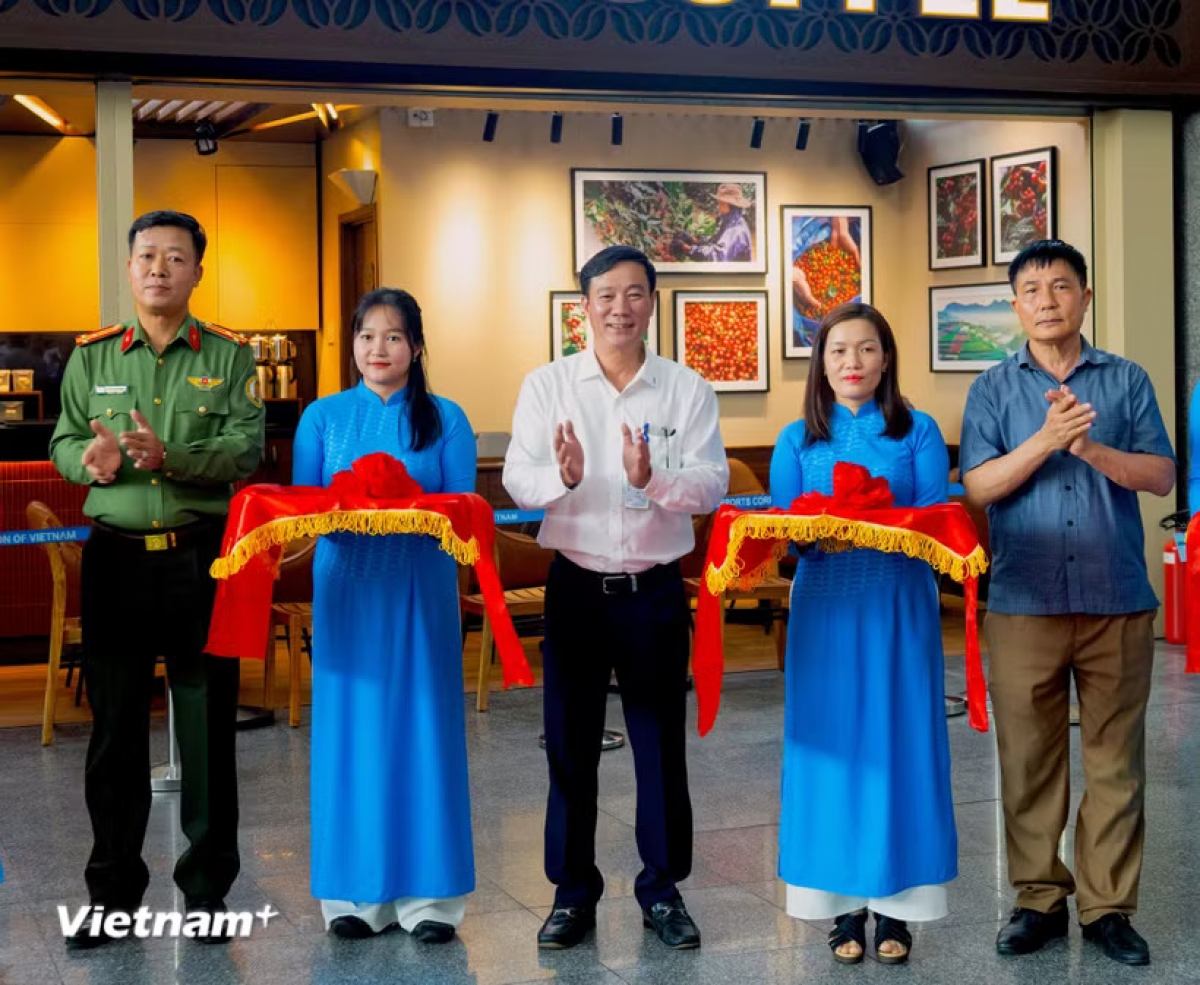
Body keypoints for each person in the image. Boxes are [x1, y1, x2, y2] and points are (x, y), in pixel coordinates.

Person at [49, 210, 264, 949]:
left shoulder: (230, 356)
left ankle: (206, 892)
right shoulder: (92, 356)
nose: (158, 269)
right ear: (129, 267)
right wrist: (90, 463)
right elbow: (63, 439)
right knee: (113, 731)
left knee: (205, 729)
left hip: (199, 557)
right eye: (146, 256)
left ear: (197, 271)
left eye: (175, 257)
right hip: (115, 558)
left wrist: (170, 457)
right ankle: (111, 894)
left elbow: (244, 449)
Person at [503, 246, 728, 950]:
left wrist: (652, 478)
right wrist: (564, 478)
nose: (620, 308)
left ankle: (662, 890)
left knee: (659, 747)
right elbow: (517, 478)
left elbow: (712, 482)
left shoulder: (686, 389)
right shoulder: (548, 385)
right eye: (606, 295)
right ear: (585, 307)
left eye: (634, 294)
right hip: (576, 586)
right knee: (570, 745)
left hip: (654, 591)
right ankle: (572, 894)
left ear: (652, 303)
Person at [959, 240, 1174, 967]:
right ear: (1015, 305)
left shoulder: (1127, 379)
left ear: (1085, 295)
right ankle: (1039, 899)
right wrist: (1048, 440)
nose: (1046, 299)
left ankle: (1108, 907)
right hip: (1024, 599)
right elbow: (979, 486)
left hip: (1117, 597)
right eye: (1031, 289)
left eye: (1060, 285)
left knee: (1116, 760)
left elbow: (1160, 475)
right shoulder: (992, 388)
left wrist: (1090, 450)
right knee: (1027, 759)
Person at [768, 302, 955, 966]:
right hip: (824, 609)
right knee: (831, 749)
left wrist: (879, 526)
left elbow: (935, 521)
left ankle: (898, 905)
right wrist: (815, 534)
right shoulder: (796, 438)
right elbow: (786, 531)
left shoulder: (918, 431)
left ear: (886, 358)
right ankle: (841, 907)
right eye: (839, 350)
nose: (853, 361)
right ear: (821, 363)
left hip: (899, 606)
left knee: (899, 742)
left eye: (867, 348)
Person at [292, 288, 477, 943]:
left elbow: (463, 513)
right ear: (353, 345)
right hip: (346, 589)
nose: (379, 348)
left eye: (394, 336)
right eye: (367, 335)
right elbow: (306, 508)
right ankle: (354, 896)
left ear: (417, 347)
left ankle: (430, 899)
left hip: (420, 589)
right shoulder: (321, 417)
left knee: (424, 729)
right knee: (351, 731)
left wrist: (407, 505)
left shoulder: (447, 418)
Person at [671, 184, 753, 263]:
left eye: (720, 203)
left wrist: (686, 248)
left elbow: (717, 257)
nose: (718, 206)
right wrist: (694, 240)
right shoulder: (730, 220)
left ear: (729, 204)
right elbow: (715, 241)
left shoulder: (735, 230)